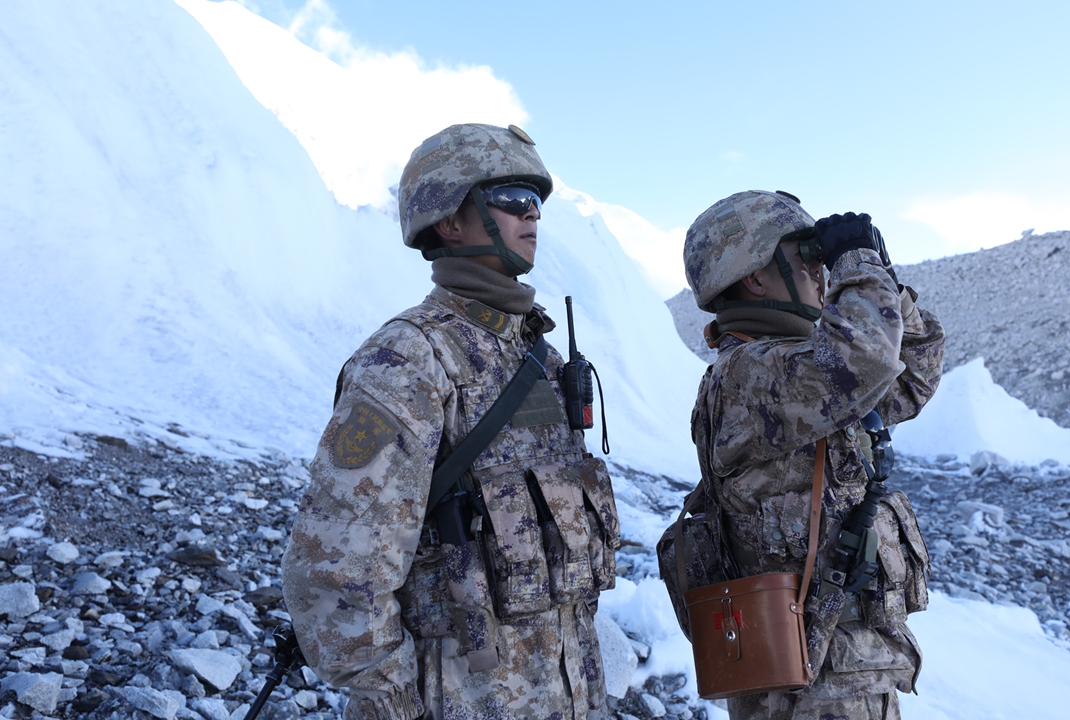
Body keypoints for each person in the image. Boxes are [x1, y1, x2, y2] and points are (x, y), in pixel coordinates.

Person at [282, 123, 620, 720]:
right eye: (512, 199)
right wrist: (390, 700)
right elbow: (336, 566)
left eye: (536, 202)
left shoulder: (541, 358)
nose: (532, 216)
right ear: (448, 220)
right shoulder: (408, 360)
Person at [681, 190, 945, 720]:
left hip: (845, 671)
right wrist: (857, 264)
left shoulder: (806, 373)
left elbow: (910, 379)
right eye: (807, 258)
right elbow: (866, 357)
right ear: (755, 277)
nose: (821, 272)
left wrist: (882, 278)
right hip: (801, 689)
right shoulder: (747, 376)